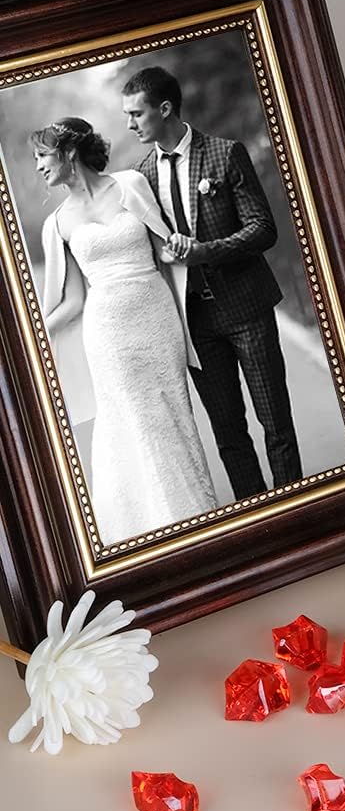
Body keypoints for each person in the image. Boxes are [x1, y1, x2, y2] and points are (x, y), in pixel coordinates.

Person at [121, 66, 302, 500]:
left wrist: (205, 250)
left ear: (165, 109)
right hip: (196, 323)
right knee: (228, 434)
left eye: (136, 113)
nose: (130, 124)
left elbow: (263, 229)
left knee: (275, 422)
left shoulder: (225, 154)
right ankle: (257, 515)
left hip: (247, 309)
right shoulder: (140, 177)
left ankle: (296, 506)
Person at [36, 117, 219, 545]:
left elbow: (162, 251)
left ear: (68, 152)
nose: (38, 166)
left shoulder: (130, 185)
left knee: (171, 415)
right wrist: (33, 335)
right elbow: (74, 300)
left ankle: (196, 517)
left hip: (156, 319)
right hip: (108, 334)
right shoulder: (56, 224)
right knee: (132, 420)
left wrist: (179, 247)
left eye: (42, 155)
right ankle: (151, 527)